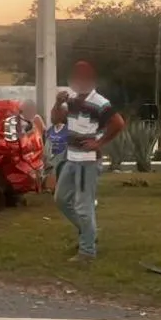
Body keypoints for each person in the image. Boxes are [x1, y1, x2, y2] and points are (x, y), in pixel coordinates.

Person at [51, 61, 125, 261]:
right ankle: (88, 234)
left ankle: (87, 251)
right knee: (61, 199)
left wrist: (99, 142)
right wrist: (58, 103)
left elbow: (118, 123)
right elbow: (56, 120)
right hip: (71, 158)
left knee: (83, 206)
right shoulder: (72, 100)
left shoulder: (100, 103)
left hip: (87, 162)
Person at [44, 117, 68, 192]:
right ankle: (51, 187)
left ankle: (58, 187)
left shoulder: (66, 129)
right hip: (51, 154)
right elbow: (47, 141)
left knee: (58, 170)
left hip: (62, 154)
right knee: (50, 170)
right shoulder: (50, 129)